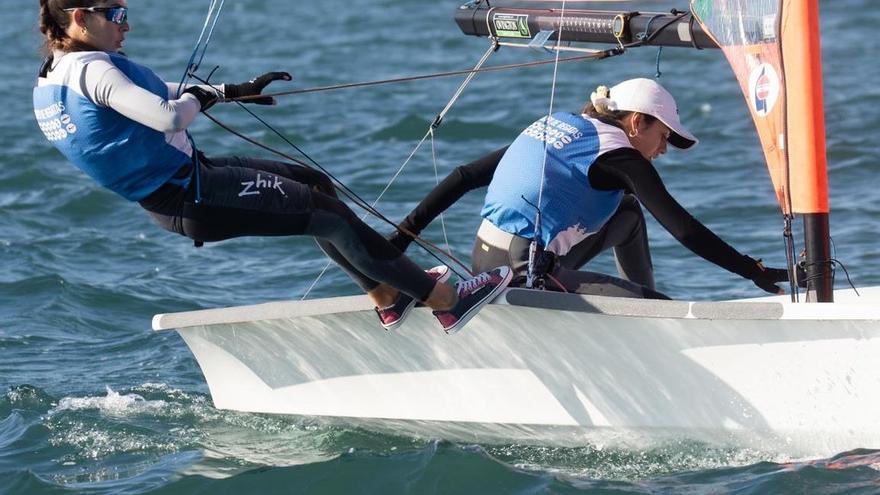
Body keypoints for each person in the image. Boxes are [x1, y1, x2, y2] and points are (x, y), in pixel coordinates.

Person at [33, 0, 512, 334]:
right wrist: (199, 97)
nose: (126, 25)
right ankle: (446, 302)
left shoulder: (52, 79)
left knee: (313, 185)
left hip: (185, 187)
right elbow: (167, 114)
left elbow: (151, 101)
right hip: (193, 193)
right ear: (79, 18)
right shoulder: (93, 68)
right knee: (329, 216)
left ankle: (388, 296)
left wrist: (234, 90)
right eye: (117, 14)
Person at [388, 78, 788, 298]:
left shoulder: (561, 126)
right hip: (521, 272)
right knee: (656, 310)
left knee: (628, 214)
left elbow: (465, 176)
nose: (665, 148)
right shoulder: (620, 158)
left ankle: (634, 298)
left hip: (483, 255)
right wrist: (749, 271)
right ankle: (644, 313)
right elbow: (682, 228)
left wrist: (401, 237)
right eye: (663, 135)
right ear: (636, 123)